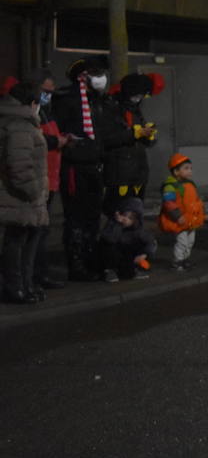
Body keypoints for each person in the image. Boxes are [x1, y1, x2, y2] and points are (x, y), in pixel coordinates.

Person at [52, 56, 113, 281]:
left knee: (93, 216)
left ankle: (91, 260)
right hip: (74, 166)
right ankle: (77, 265)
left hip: (94, 165)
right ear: (82, 76)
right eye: (95, 73)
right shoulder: (67, 99)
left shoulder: (98, 100)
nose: (101, 78)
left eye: (101, 73)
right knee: (76, 217)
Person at [1, 81, 49, 304]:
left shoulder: (20, 123)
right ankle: (16, 288)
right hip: (21, 198)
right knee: (17, 243)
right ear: (30, 103)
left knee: (24, 242)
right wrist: (33, 191)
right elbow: (19, 165)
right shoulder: (20, 126)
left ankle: (25, 286)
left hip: (26, 198)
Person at [102, 73, 159, 219]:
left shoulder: (134, 109)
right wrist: (134, 134)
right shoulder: (111, 108)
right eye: (138, 95)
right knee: (119, 215)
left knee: (135, 214)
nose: (139, 99)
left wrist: (148, 136)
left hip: (137, 173)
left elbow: (140, 136)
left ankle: (134, 240)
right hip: (120, 173)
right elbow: (108, 138)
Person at [27, 68, 64, 291]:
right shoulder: (31, 113)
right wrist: (54, 142)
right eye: (45, 91)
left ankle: (40, 274)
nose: (48, 95)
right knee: (34, 233)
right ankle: (32, 276)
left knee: (41, 232)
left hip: (50, 179)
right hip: (38, 181)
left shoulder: (45, 112)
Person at [160, 153, 205, 271]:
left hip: (190, 221)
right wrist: (177, 216)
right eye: (186, 168)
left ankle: (185, 259)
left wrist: (203, 214)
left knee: (190, 241)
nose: (190, 171)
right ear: (176, 171)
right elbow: (169, 203)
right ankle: (177, 261)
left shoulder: (190, 184)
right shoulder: (170, 186)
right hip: (180, 221)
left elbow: (197, 201)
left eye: (190, 168)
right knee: (182, 242)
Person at [98, 195, 155, 283]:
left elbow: (150, 242)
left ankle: (132, 270)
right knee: (109, 247)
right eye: (124, 215)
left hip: (126, 257)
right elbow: (110, 239)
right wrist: (118, 224)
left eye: (130, 218)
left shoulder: (137, 229)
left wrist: (144, 254)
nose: (126, 219)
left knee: (139, 248)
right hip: (112, 256)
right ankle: (110, 271)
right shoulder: (114, 224)